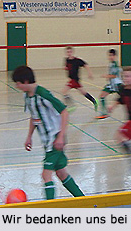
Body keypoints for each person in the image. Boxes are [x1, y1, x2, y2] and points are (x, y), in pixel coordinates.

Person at [12, 65, 84, 201]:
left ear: (26, 81)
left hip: (55, 139)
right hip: (47, 141)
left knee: (46, 175)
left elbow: (64, 112)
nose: (17, 86)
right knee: (61, 173)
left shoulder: (43, 94)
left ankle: (50, 207)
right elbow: (34, 117)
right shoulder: (27, 96)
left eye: (18, 83)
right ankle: (84, 201)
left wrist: (61, 137)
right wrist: (29, 137)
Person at [61, 46, 97, 112]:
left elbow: (85, 65)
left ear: (72, 52)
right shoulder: (67, 60)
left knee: (64, 91)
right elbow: (67, 67)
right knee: (83, 92)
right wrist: (65, 68)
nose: (69, 53)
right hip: (72, 80)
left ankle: (71, 105)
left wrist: (90, 73)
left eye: (70, 52)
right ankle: (94, 101)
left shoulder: (77, 60)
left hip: (74, 80)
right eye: (68, 52)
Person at [96, 49, 123, 119]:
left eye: (112, 55)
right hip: (111, 84)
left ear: (115, 56)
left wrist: (106, 76)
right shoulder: (111, 64)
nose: (111, 57)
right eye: (110, 55)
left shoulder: (115, 65)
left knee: (125, 98)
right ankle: (104, 113)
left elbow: (115, 75)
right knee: (102, 96)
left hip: (117, 85)